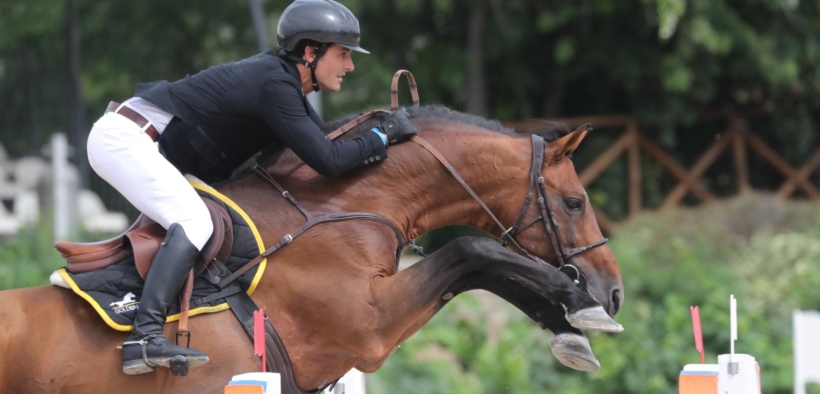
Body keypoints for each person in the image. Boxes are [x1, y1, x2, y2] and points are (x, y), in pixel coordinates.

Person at [86, 0, 417, 375]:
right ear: (310, 52)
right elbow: (330, 160)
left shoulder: (285, 87)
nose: (350, 66)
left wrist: (381, 138)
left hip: (146, 145)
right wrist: (381, 136)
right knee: (195, 223)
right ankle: (144, 338)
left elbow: (326, 146)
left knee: (211, 223)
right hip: (127, 139)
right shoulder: (275, 85)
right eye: (343, 54)